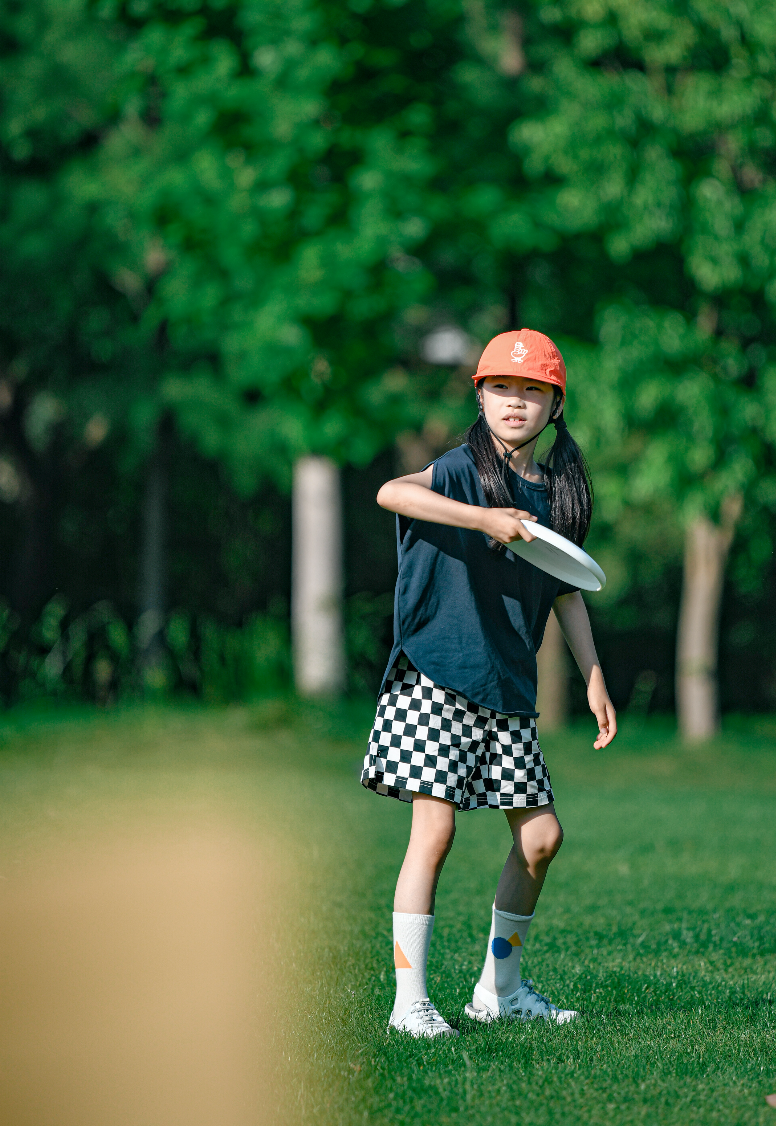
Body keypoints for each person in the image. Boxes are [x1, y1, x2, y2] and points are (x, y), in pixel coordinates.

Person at [361, 328, 617, 1038]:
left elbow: (568, 591)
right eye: (502, 388)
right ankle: (409, 1003)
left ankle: (498, 989)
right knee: (434, 827)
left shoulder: (558, 493)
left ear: (555, 405)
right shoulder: (457, 472)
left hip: (505, 689)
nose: (516, 402)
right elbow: (389, 492)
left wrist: (594, 677)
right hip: (435, 673)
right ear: (479, 395)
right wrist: (483, 519)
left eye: (533, 391)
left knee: (541, 839)